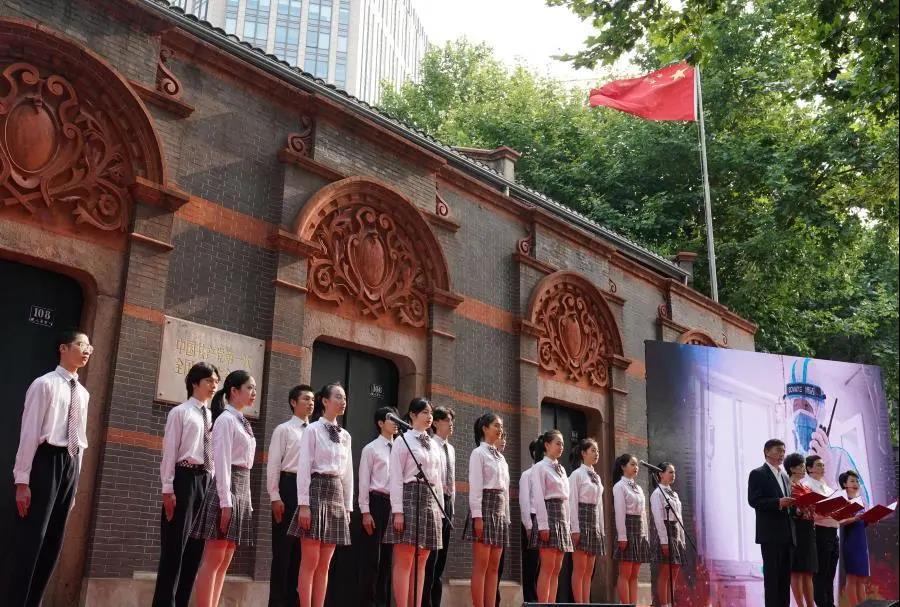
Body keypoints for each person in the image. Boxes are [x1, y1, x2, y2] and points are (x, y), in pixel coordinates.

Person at [2, 329, 92, 607]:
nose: (87, 350)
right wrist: (22, 480)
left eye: (89, 347)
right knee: (33, 538)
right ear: (63, 348)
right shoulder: (44, 384)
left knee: (54, 540)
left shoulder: (84, 393)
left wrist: (75, 486)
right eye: (81, 344)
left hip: (70, 464)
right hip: (46, 461)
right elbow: (29, 432)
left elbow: (80, 440)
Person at [152, 361, 220, 607]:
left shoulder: (212, 416)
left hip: (205, 481)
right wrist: (167, 489)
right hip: (184, 479)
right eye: (209, 381)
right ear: (194, 383)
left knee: (195, 550)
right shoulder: (180, 413)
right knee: (174, 548)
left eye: (216, 381)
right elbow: (169, 452)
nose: (214, 386)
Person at [190, 370, 258, 607]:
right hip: (226, 490)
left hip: (241, 489)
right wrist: (225, 501)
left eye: (254, 388)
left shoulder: (241, 420)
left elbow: (246, 466)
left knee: (225, 559)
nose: (254, 393)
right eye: (249, 388)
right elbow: (221, 463)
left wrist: (246, 501)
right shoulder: (226, 420)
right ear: (234, 391)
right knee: (214, 557)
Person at [288, 383, 354, 607]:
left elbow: (348, 474)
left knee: (325, 564)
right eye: (338, 397)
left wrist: (348, 507)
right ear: (325, 401)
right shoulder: (313, 429)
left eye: (344, 398)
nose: (343, 401)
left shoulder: (346, 436)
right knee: (310, 561)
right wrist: (304, 504)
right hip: (316, 490)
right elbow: (304, 467)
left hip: (336, 494)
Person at [383, 398, 444, 607]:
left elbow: (438, 480)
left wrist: (439, 511)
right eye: (425, 412)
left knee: (422, 561)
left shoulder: (434, 444)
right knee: (405, 559)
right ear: (412, 415)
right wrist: (398, 511)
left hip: (429, 500)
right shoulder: (403, 440)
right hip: (409, 497)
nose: (429, 417)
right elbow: (395, 478)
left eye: (431, 413)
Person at [267, 384, 315, 607]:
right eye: (305, 399)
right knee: (283, 553)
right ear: (293, 402)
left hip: (310, 491)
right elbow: (274, 464)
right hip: (288, 487)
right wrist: (275, 496)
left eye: (312, 399)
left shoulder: (316, 432)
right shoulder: (284, 430)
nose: (310, 403)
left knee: (302, 553)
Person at [462, 414, 510, 607]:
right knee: (481, 565)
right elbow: (475, 486)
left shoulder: (501, 457)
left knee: (494, 568)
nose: (500, 429)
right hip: (484, 509)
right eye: (496, 425)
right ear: (484, 428)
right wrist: (477, 516)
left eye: (501, 426)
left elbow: (505, 490)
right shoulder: (478, 453)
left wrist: (506, 517)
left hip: (499, 513)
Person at [747, 438, 796, 607]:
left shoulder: (785, 476)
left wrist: (798, 509)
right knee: (772, 580)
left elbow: (789, 505)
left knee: (784, 580)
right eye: (778, 450)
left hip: (788, 534)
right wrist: (778, 503)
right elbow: (754, 500)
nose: (782, 454)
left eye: (783, 451)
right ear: (766, 452)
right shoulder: (758, 473)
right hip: (770, 534)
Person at [359, 406, 398, 607]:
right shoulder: (371, 449)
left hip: (394, 506)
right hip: (376, 503)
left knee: (388, 560)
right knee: (372, 559)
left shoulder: (401, 449)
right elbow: (364, 482)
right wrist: (365, 512)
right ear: (381, 423)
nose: (396, 423)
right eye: (391, 419)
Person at [530, 429, 573, 603]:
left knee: (556, 569)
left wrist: (568, 524)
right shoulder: (540, 467)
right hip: (548, 515)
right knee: (547, 567)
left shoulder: (561, 469)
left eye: (562, 444)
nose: (561, 447)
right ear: (547, 445)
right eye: (557, 443)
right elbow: (538, 497)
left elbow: (566, 498)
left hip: (561, 517)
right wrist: (543, 525)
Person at [423, 405, 456, 607]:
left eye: (452, 421)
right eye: (447, 420)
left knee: (442, 559)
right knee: (431, 558)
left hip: (448, 503)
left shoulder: (450, 449)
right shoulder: (430, 444)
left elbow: (451, 480)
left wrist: (453, 504)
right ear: (435, 423)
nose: (451, 424)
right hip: (435, 501)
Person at [568, 438, 605, 604]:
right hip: (581, 520)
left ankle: (586, 602)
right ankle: (579, 603)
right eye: (593, 450)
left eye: (598, 451)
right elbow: (572, 502)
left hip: (594, 522)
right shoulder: (577, 475)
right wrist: (575, 529)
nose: (596, 454)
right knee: (580, 568)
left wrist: (601, 529)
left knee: (590, 570)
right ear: (583, 453)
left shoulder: (596, 476)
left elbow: (600, 504)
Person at [801, 454, 839, 607]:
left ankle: (830, 603)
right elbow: (809, 512)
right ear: (809, 468)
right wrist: (827, 511)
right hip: (819, 532)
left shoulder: (827, 487)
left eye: (823, 465)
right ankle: (822, 604)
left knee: (830, 573)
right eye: (818, 465)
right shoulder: (806, 486)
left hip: (833, 532)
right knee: (821, 573)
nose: (822, 467)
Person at [612, 453, 651, 605]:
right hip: (627, 529)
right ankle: (625, 604)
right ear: (623, 467)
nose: (636, 467)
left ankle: (633, 603)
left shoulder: (638, 488)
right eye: (632, 464)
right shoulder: (619, 486)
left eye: (637, 465)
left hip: (639, 530)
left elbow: (643, 513)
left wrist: (645, 534)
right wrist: (622, 536)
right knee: (625, 573)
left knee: (635, 574)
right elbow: (620, 512)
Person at [649, 462, 686, 607]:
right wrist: (664, 541)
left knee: (675, 570)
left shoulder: (674, 494)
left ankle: (671, 603)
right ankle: (663, 604)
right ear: (660, 474)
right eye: (670, 472)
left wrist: (682, 538)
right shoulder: (657, 493)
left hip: (676, 532)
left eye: (674, 472)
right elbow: (658, 518)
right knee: (665, 571)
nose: (673, 475)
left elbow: (679, 517)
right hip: (665, 530)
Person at [785, 452, 817, 607]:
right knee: (797, 571)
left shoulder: (805, 487)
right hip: (795, 529)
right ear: (792, 468)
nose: (804, 469)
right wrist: (799, 509)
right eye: (800, 466)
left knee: (808, 571)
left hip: (809, 529)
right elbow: (788, 508)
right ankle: (800, 605)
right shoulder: (787, 485)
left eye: (804, 466)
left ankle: (811, 604)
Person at [837, 470, 868, 606]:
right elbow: (840, 522)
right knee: (852, 578)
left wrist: (870, 519)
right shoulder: (843, 501)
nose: (856, 484)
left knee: (861, 579)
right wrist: (854, 518)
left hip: (861, 543)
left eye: (857, 481)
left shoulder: (860, 501)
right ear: (845, 484)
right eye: (852, 481)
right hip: (850, 543)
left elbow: (861, 523)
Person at [518, 437, 542, 603]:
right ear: (535, 452)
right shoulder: (527, 475)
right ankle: (530, 601)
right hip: (532, 519)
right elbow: (524, 502)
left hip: (546, 519)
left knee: (544, 564)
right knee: (531, 564)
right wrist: (528, 525)